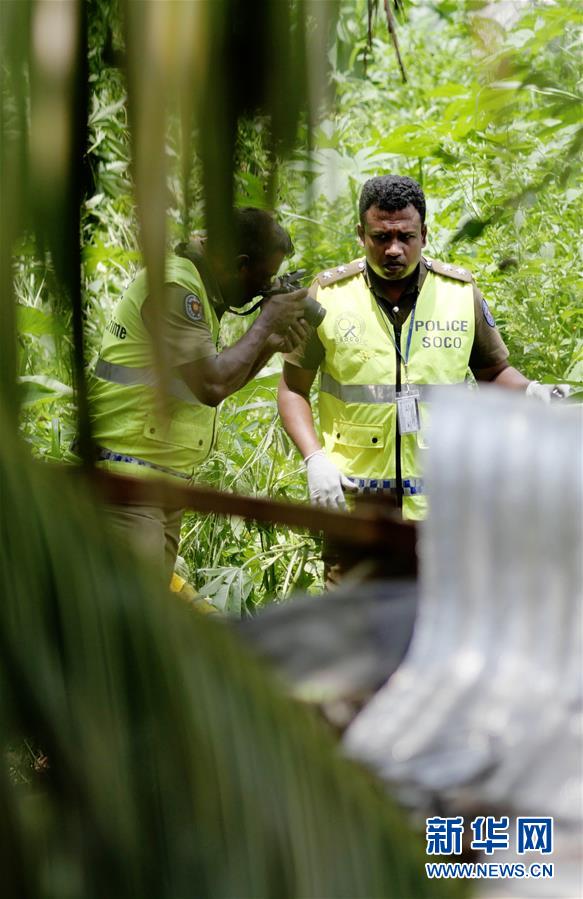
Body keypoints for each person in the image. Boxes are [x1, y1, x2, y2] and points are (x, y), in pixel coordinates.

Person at [277, 176, 569, 581]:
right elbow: (292, 388)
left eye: (406, 237)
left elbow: (494, 372)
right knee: (354, 617)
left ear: (425, 234)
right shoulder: (328, 296)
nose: (393, 249)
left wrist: (533, 392)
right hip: (357, 507)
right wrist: (314, 459)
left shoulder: (459, 293)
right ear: (361, 234)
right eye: (381, 237)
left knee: (437, 616)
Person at [88, 207, 308, 580]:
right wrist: (266, 320)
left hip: (157, 484)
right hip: (128, 483)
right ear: (239, 264)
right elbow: (212, 384)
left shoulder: (196, 287)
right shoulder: (175, 288)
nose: (266, 289)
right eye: (265, 278)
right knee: (125, 611)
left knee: (145, 610)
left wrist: (269, 343)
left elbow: (218, 383)